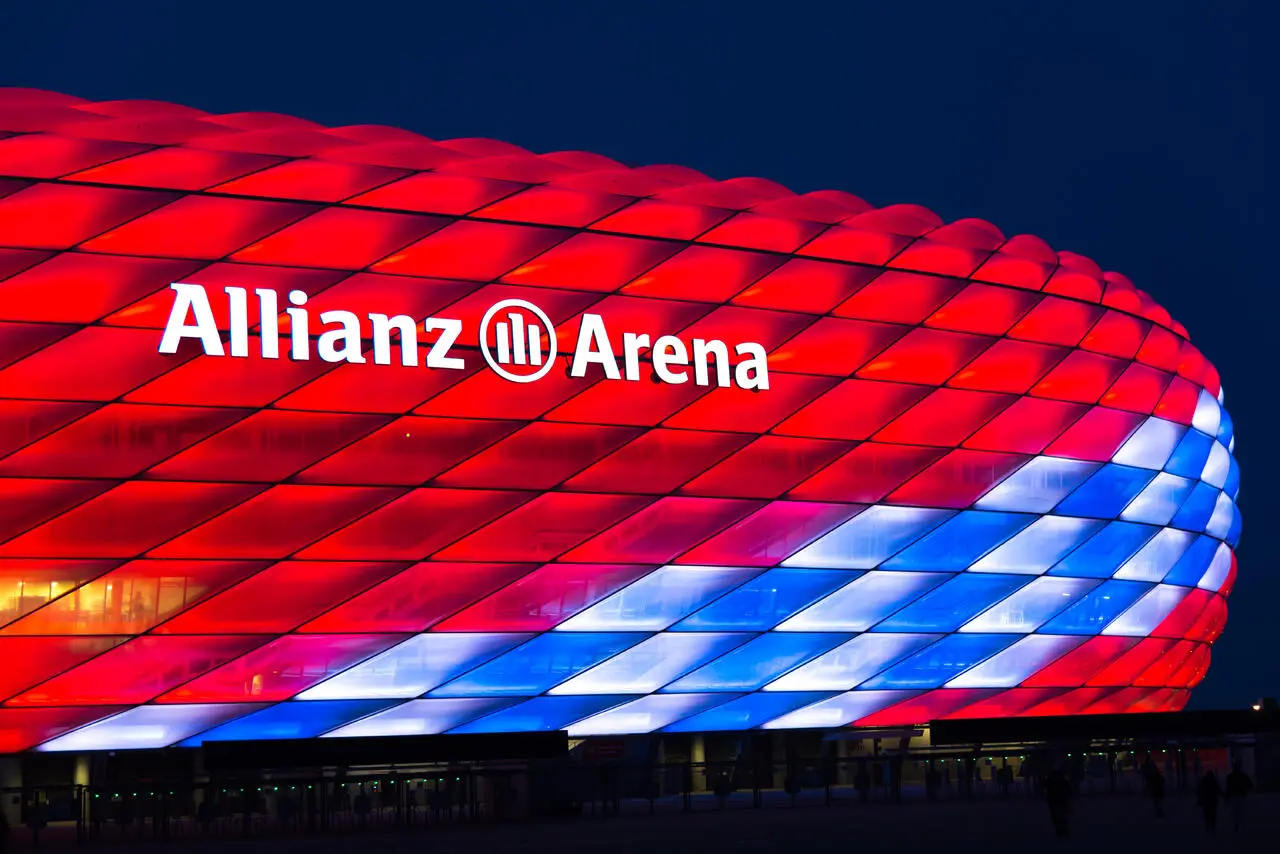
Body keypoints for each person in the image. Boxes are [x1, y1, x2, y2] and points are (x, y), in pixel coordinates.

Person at [1224, 762, 1253, 833]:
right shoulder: (1243, 775)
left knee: (1235, 812)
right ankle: (1242, 826)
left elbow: (1228, 787)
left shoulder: (1231, 776)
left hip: (1234, 795)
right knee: (1242, 811)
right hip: (1241, 794)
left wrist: (1226, 795)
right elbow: (1250, 784)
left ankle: (1237, 825)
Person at [1045, 768, 1071, 838]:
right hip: (1060, 799)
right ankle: (1063, 829)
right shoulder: (1063, 781)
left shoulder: (1050, 781)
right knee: (1061, 815)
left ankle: (1060, 829)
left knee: (1057, 815)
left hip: (1055, 800)